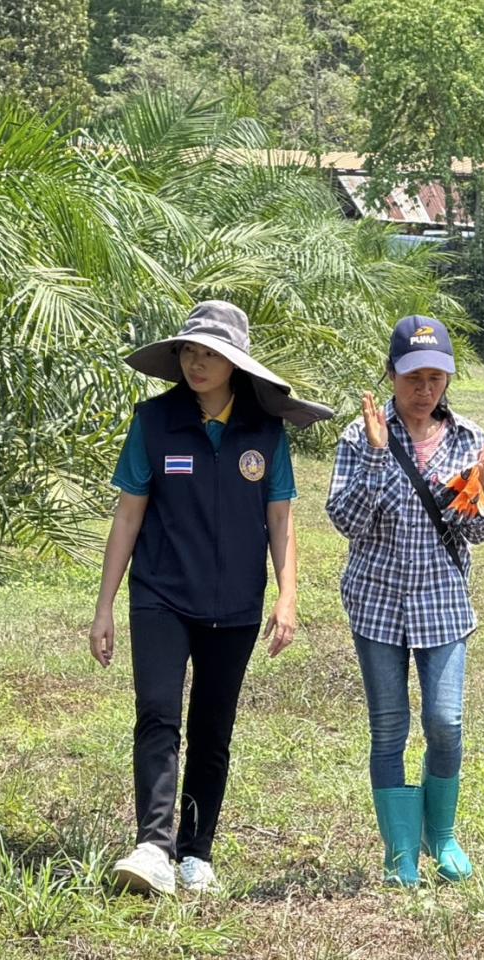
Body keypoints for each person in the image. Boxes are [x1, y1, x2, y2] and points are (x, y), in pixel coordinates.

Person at [89, 300, 332, 895]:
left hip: (237, 604)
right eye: (189, 352)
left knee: (213, 727)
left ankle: (196, 853)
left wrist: (288, 596)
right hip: (160, 596)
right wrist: (104, 607)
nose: (196, 363)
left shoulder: (264, 430)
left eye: (211, 354)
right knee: (158, 715)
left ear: (235, 363)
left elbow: (282, 520)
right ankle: (152, 845)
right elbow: (127, 519)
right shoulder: (153, 422)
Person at [326, 315, 484, 887]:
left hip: (443, 604)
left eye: (435, 378)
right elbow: (345, 520)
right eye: (412, 378)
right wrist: (379, 457)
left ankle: (441, 834)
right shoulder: (360, 437)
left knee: (445, 722)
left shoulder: (471, 440)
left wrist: (470, 499)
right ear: (391, 376)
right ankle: (400, 851)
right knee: (389, 728)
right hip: (377, 602)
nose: (424, 390)